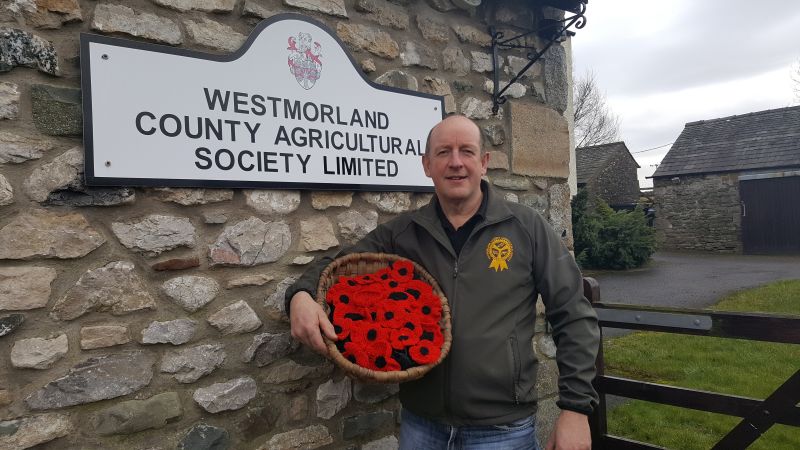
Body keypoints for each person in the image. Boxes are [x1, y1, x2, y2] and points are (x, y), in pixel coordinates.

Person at [286, 115, 600, 450]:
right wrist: (300, 295)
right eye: (443, 152)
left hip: (502, 430)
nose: (455, 163)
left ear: (484, 163)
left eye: (466, 151)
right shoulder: (403, 233)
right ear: (427, 165)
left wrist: (575, 410)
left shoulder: (526, 228)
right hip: (422, 426)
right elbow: (337, 265)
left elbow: (573, 315)